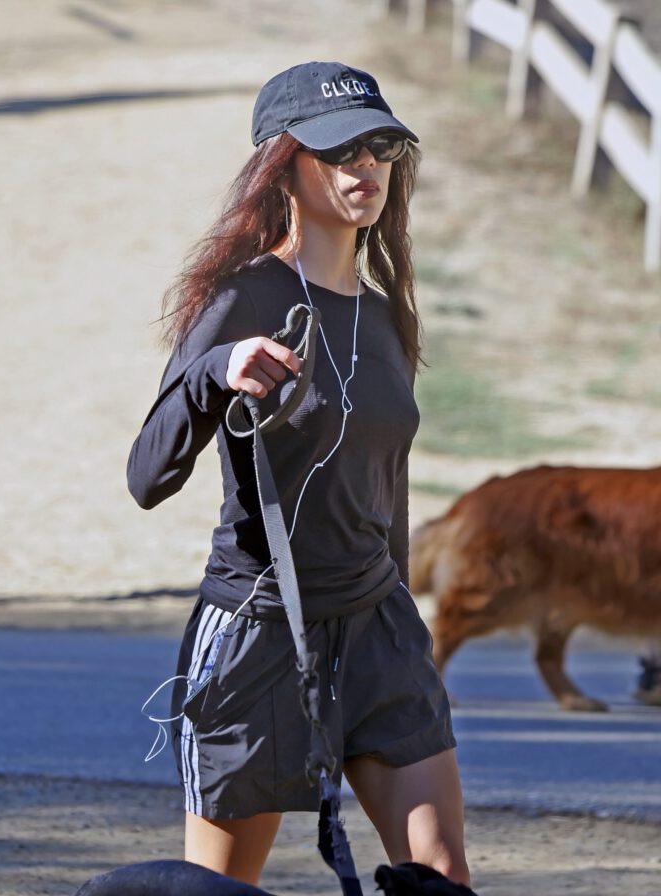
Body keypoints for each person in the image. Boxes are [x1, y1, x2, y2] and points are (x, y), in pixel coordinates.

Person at [127, 61, 470, 888]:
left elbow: (387, 477)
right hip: (258, 630)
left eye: (382, 146)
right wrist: (215, 372)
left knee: (442, 876)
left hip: (375, 625)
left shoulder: (387, 313)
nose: (367, 167)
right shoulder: (243, 298)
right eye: (340, 149)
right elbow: (147, 474)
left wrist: (403, 621)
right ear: (284, 164)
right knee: (219, 889)